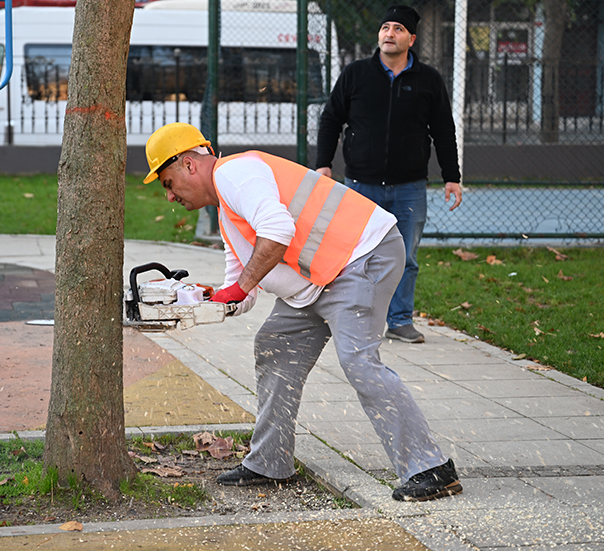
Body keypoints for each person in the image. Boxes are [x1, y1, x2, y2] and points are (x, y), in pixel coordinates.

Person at [144, 122, 462, 502]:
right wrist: (206, 299)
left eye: (167, 182)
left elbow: (277, 231)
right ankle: (269, 462)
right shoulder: (228, 213)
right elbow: (242, 289)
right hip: (320, 280)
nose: (169, 195)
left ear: (189, 164)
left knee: (358, 360)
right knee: (274, 344)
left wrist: (240, 286)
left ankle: (430, 468)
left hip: (361, 256)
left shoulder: (235, 174)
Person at [315, 5, 463, 344]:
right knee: (354, 257)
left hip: (409, 187)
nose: (389, 33)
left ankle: (399, 321)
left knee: (405, 258)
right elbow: (330, 119)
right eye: (385, 27)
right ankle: (353, 317)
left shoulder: (428, 80)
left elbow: (443, 129)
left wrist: (451, 175)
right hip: (360, 185)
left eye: (398, 29)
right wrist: (324, 163)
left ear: (410, 38)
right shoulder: (355, 74)